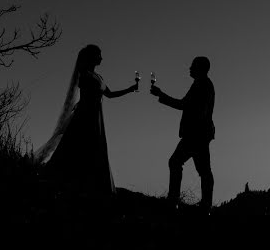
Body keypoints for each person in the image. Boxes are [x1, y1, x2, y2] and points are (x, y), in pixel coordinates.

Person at [34, 44, 137, 196]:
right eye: (99, 55)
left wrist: (129, 90)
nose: (101, 58)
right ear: (91, 57)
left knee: (94, 147)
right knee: (79, 146)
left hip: (96, 116)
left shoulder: (99, 77)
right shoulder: (85, 75)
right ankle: (71, 181)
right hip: (86, 115)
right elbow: (87, 96)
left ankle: (92, 184)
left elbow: (110, 94)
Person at [150, 56, 215, 213]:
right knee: (203, 170)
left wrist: (161, 95)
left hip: (195, 134)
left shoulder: (201, 85)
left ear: (200, 68)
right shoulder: (203, 84)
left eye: (193, 66)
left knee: (176, 162)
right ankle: (204, 205)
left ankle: (174, 200)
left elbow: (183, 105)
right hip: (200, 134)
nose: (189, 68)